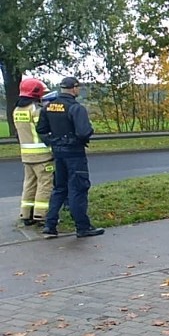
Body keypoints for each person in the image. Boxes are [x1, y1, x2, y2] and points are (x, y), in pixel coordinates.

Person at [36, 76, 104, 239]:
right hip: (74, 153)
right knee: (78, 188)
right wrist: (79, 139)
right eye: (78, 88)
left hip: (58, 153)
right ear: (74, 88)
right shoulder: (75, 108)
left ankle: (50, 226)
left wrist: (53, 141)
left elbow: (41, 129)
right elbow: (84, 131)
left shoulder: (49, 106)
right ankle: (82, 226)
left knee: (59, 188)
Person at [13, 78, 53, 226]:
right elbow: (43, 131)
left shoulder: (17, 110)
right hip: (42, 155)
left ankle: (26, 214)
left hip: (26, 155)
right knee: (45, 184)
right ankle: (41, 215)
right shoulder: (36, 110)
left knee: (29, 184)